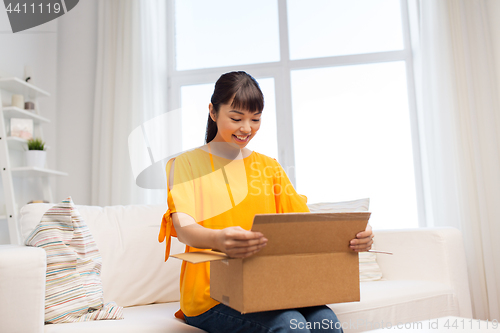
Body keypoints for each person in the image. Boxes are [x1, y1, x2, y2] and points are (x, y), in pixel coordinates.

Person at [158, 71, 373, 333]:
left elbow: (307, 225)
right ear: (213, 112)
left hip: (271, 285)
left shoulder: (268, 167)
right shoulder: (185, 164)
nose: (246, 128)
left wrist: (355, 234)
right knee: (288, 326)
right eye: (236, 118)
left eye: (255, 119)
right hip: (211, 294)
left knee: (324, 323)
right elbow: (183, 227)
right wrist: (218, 239)